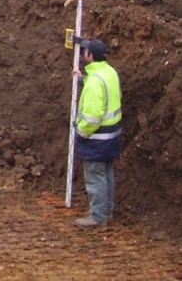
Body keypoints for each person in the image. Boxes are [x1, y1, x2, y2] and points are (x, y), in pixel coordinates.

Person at [74, 38, 122, 228]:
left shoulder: (94, 82)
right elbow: (104, 89)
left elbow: (93, 116)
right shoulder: (109, 72)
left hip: (97, 137)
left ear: (90, 56)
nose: (83, 54)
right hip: (112, 135)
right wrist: (82, 80)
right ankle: (107, 211)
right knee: (107, 172)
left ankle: (97, 217)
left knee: (95, 177)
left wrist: (81, 133)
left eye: (85, 51)